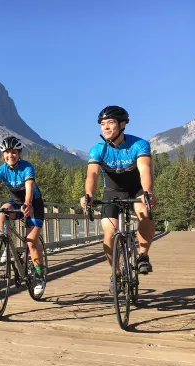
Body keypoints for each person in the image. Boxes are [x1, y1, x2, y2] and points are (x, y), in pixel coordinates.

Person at [80, 105, 158, 294]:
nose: (105, 127)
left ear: (123, 125)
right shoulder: (98, 149)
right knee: (108, 233)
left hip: (136, 189)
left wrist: (148, 192)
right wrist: (89, 195)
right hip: (112, 191)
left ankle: (142, 256)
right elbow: (92, 175)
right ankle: (115, 273)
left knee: (145, 213)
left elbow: (145, 170)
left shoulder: (138, 144)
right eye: (102, 124)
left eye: (110, 123)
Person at [0, 136, 46, 298]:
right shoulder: (1, 170)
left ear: (19, 153)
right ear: (3, 154)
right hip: (15, 202)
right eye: (7, 153)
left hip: (33, 204)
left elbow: (29, 188)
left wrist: (27, 204)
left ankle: (40, 276)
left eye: (13, 152)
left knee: (31, 242)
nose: (10, 155)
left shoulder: (27, 167)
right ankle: (8, 245)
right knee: (2, 212)